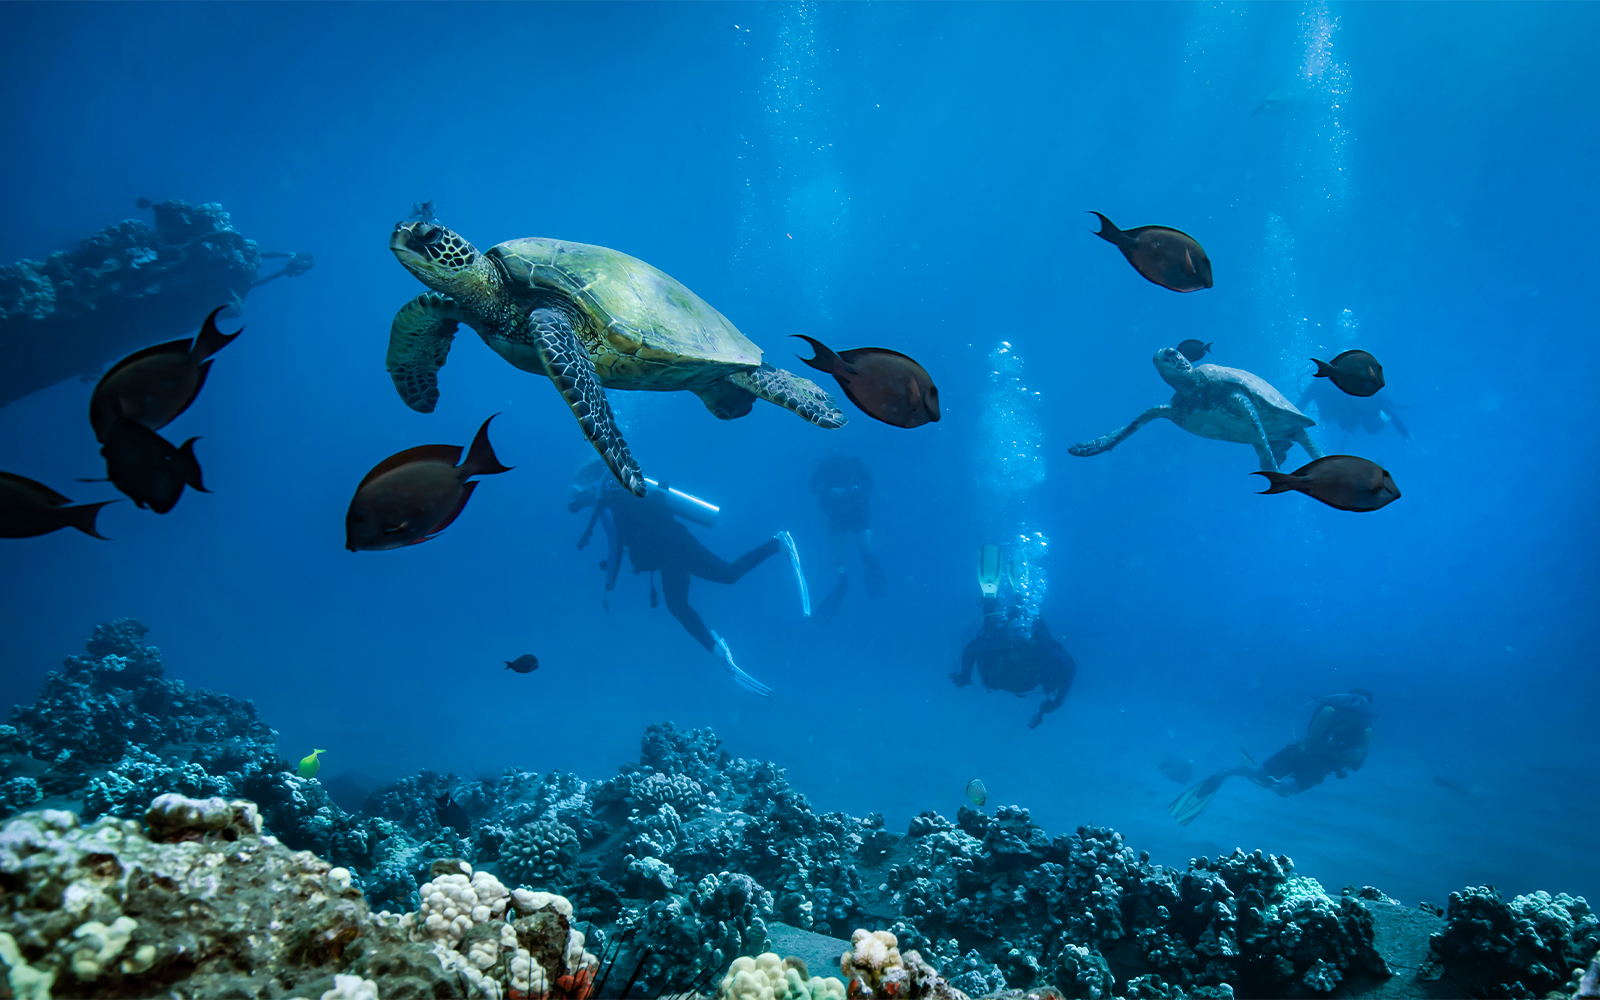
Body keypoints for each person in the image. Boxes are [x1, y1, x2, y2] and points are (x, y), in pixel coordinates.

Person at [569, 461, 787, 697]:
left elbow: (615, 547)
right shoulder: (625, 497)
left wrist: (608, 590)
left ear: (595, 486)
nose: (581, 497)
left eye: (583, 490)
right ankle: (777, 543)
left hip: (671, 553)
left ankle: (718, 651)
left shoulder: (608, 506)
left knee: (687, 600)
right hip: (677, 547)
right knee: (721, 579)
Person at [1168, 689, 1375, 826]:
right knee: (1283, 790)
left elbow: (1312, 735)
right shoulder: (1364, 728)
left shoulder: (1331, 710)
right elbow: (1355, 757)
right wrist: (1339, 763)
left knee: (1258, 771)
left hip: (1300, 751)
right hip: (1318, 766)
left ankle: (1227, 772)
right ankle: (1269, 783)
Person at [949, 543, 1076, 729]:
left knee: (1010, 622)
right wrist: (1058, 701)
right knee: (1009, 624)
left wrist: (964, 676)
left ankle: (1002, 598)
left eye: (1023, 630)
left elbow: (971, 649)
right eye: (1015, 630)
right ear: (1007, 630)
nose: (1019, 635)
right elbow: (1070, 667)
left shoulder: (1038, 644)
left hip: (1006, 677)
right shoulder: (1009, 642)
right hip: (1018, 678)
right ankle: (1016, 597)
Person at [809, 453, 886, 623]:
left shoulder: (830, 464)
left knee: (845, 553)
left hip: (846, 513)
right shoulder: (851, 463)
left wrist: (842, 491)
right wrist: (839, 491)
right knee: (863, 551)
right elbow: (814, 486)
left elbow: (814, 486)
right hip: (849, 512)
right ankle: (852, 582)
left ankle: (843, 581)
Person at [1296, 380, 1411, 446]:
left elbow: (1391, 414)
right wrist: (1404, 432)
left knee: (1300, 411)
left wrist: (1404, 432)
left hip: (1323, 383)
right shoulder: (1371, 402)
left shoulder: (1368, 402)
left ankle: (1292, 418)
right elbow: (1392, 414)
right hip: (1323, 385)